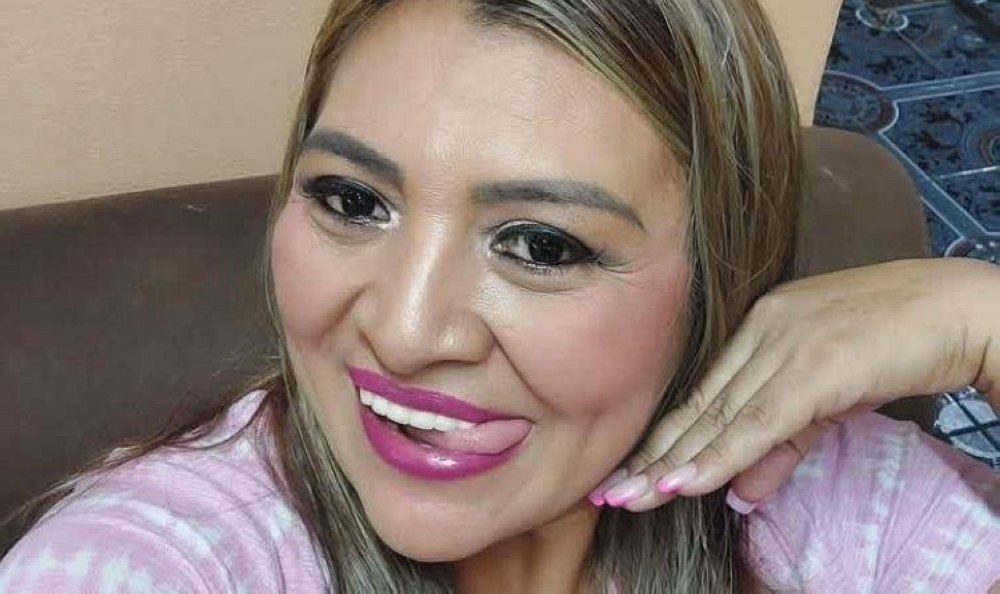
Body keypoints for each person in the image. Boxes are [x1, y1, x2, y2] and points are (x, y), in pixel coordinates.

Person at [1, 0, 998, 592]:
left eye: (539, 244)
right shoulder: (161, 556)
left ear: (716, 281)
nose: (403, 332)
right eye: (351, 200)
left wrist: (981, 322)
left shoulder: (840, 509)